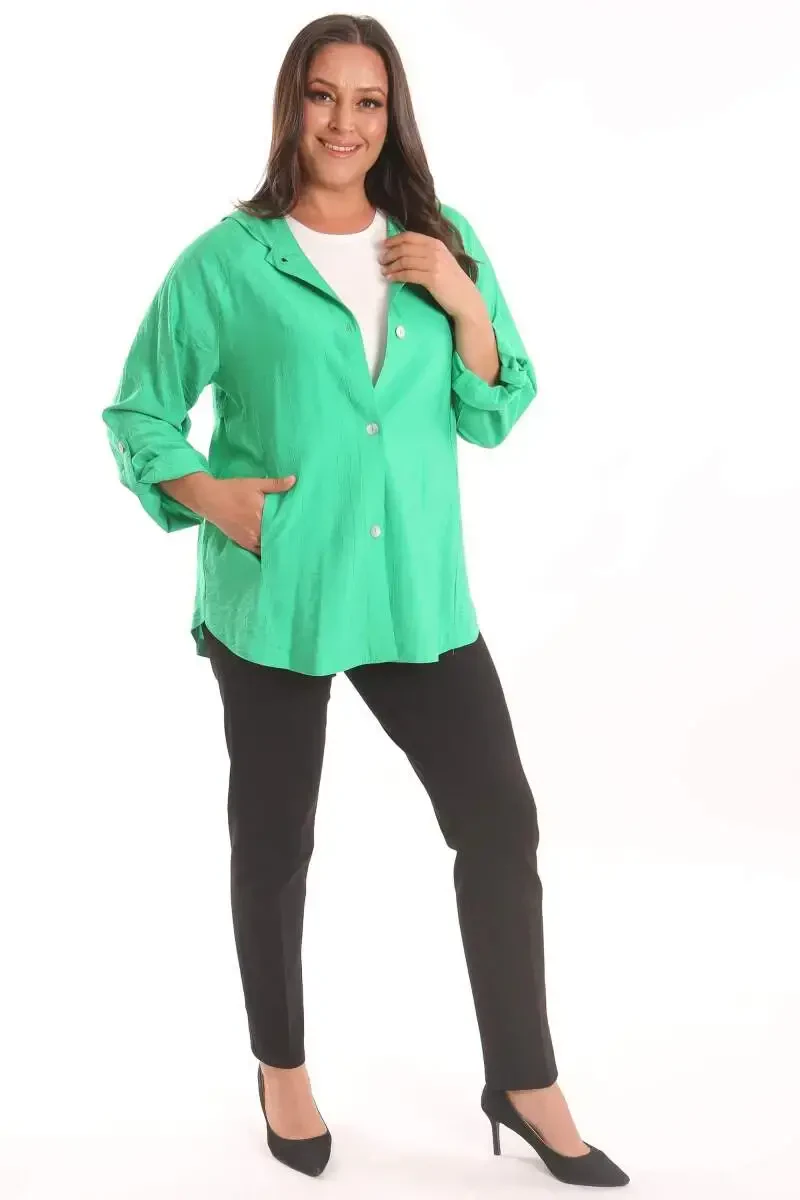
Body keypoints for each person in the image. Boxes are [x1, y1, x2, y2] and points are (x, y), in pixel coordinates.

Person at [101, 12, 629, 1188]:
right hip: (279, 590)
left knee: (498, 822)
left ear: (393, 115)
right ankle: (280, 1069)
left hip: (412, 597)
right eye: (323, 95)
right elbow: (137, 409)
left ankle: (522, 1079)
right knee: (275, 841)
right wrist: (210, 496)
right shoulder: (227, 261)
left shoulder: (440, 241)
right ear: (291, 104)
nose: (344, 122)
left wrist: (461, 296)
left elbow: (494, 407)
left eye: (368, 100)